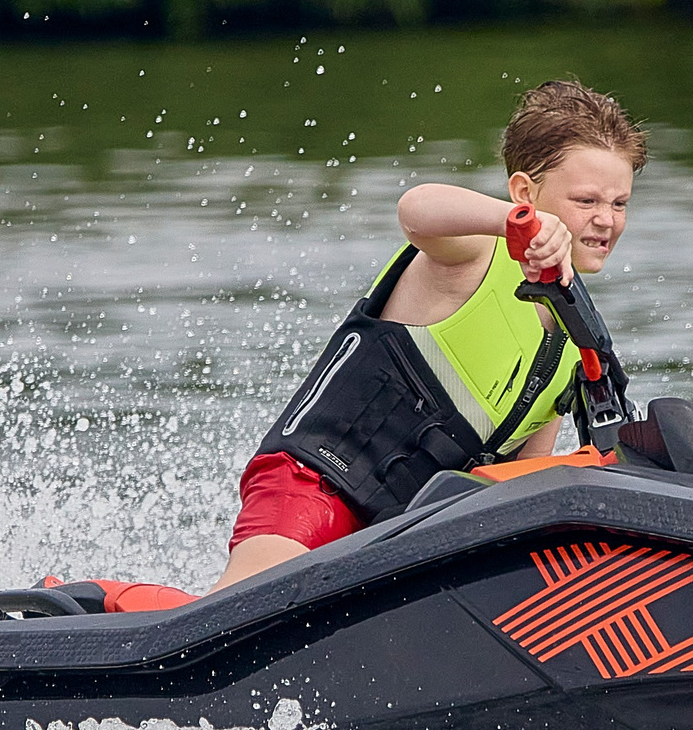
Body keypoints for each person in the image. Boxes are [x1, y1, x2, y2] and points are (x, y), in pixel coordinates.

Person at [209, 78, 644, 592]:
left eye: (619, 204)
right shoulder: (476, 252)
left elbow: (526, 482)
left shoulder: (575, 344)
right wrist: (514, 223)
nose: (605, 220)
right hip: (314, 487)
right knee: (253, 601)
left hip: (400, 538)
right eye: (587, 199)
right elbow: (417, 209)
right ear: (526, 192)